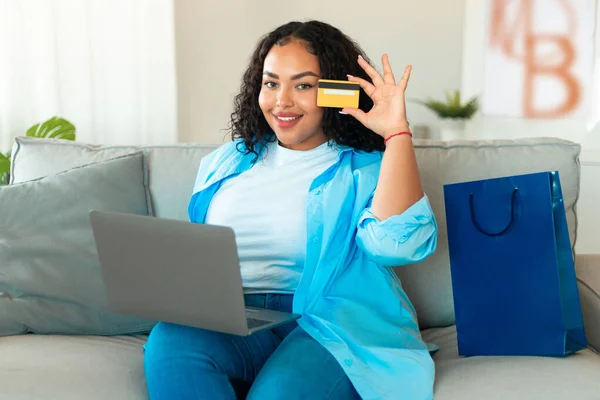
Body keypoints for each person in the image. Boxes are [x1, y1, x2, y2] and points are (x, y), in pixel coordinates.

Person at [143, 20, 438, 400]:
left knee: (280, 392)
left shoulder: (367, 168)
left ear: (337, 91)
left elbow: (397, 247)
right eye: (271, 83)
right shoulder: (226, 162)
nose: (282, 100)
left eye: (303, 85)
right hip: (236, 318)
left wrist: (396, 133)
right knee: (170, 341)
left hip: (331, 323)